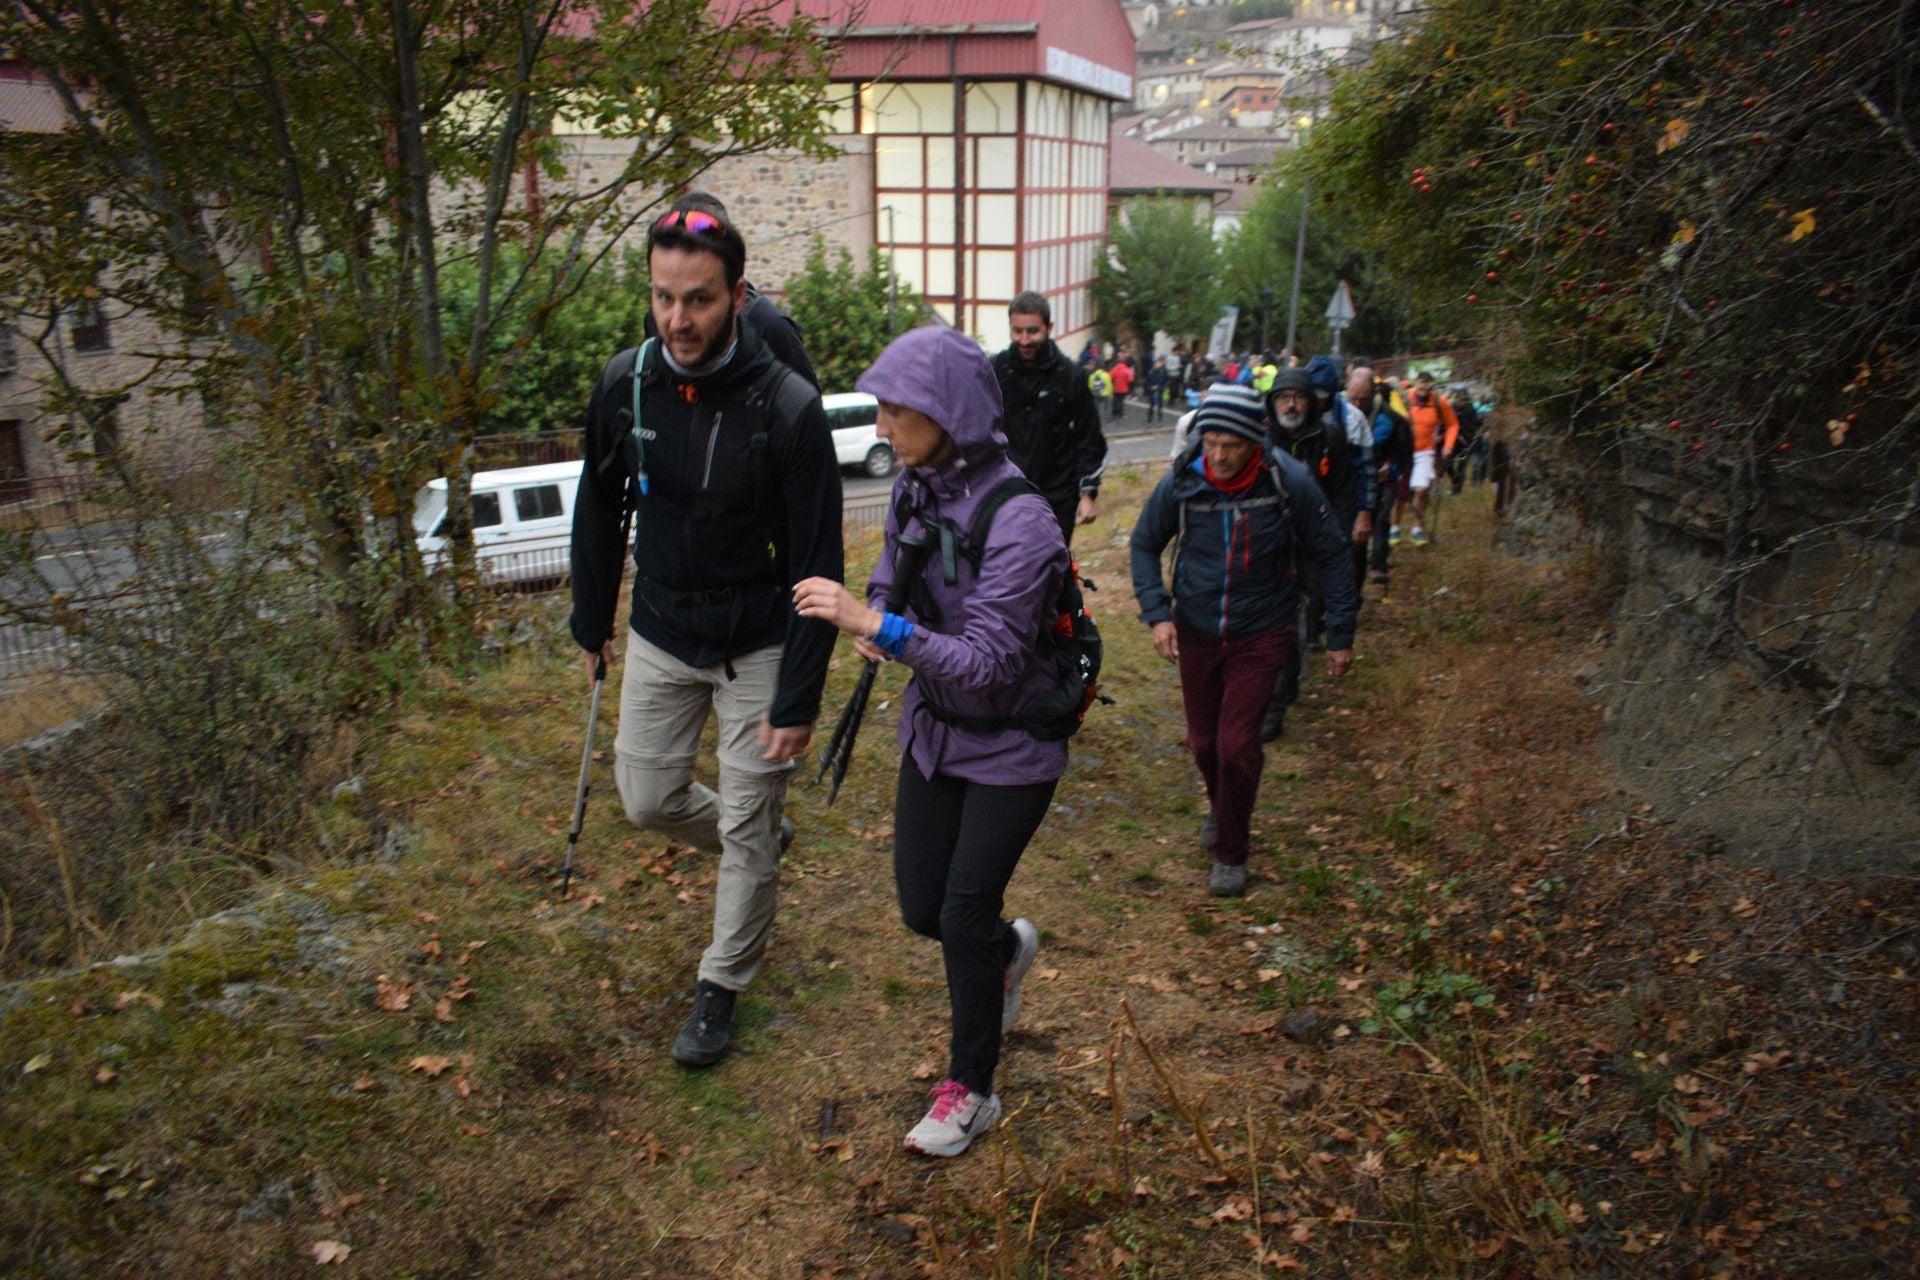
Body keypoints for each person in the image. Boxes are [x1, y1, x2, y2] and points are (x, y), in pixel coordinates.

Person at [569, 199, 844, 1068]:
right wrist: (592, 616)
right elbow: (598, 505)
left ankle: (720, 988)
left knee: (749, 820)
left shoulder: (787, 406)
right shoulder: (627, 383)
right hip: (661, 626)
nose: (677, 319)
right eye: (662, 298)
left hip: (758, 637)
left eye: (697, 300)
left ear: (736, 295)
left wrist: (799, 693)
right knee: (647, 799)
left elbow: (819, 561)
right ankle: (755, 837)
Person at [794, 325, 1070, 1158]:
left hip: (1014, 744)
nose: (881, 427)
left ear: (947, 413)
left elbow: (989, 664)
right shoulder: (917, 483)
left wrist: (881, 624)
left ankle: (971, 1091)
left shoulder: (1023, 521)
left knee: (959, 911)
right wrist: (884, 613)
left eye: (894, 410)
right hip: (934, 733)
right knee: (926, 910)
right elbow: (894, 571)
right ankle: (1005, 955)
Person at [1129, 384, 1358, 897]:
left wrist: (1340, 631)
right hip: (1197, 629)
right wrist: (1157, 614)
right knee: (1204, 742)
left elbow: (1334, 553)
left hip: (1262, 630)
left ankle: (1231, 850)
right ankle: (1223, 807)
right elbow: (1145, 542)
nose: (1218, 455)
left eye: (1230, 444)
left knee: (1237, 744)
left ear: (1255, 441)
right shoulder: (1184, 482)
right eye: (1209, 441)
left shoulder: (1288, 481)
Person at [1261, 364, 1371, 741]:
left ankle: (1286, 680)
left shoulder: (1330, 437)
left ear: (1311, 402)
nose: (1291, 405)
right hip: (1271, 541)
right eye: (1284, 398)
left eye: (1298, 398)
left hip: (1315, 537)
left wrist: (1338, 537)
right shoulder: (1260, 437)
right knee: (1280, 617)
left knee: (1305, 608)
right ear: (1272, 402)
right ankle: (1276, 701)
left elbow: (1343, 489)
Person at [639, 191, 817, 389]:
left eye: (700, 300)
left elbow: (804, 405)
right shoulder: (623, 373)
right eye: (665, 297)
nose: (678, 323)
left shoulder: (769, 325)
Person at [991, 293, 1106, 545]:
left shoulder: (1070, 376)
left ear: (1048, 328)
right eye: (1017, 331)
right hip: (1006, 494)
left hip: (1056, 497)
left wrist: (1088, 493)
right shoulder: (995, 371)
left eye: (1032, 331)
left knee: (1051, 572)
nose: (1024, 340)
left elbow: (1089, 437)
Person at [1396, 371, 1459, 547]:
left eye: (1427, 387)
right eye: (1421, 386)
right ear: (1416, 384)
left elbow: (1453, 424)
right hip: (1404, 451)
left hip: (1426, 452)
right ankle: (1394, 526)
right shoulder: (1405, 397)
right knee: (1399, 493)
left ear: (1431, 387)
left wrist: (1448, 445)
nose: (1423, 390)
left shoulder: (1439, 402)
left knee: (1422, 490)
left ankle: (1417, 528)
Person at [1108, 354, 1133, 421]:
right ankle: (1120, 414)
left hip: (1116, 388)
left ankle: (1114, 413)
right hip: (1124, 389)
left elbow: (1110, 376)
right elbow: (1130, 379)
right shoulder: (1127, 370)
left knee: (1115, 401)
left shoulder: (1115, 368)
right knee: (1121, 401)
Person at [1145, 355, 1168, 424]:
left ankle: (1159, 418)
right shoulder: (1150, 372)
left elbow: (1165, 382)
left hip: (1160, 390)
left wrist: (1160, 387)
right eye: (1157, 364)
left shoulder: (1163, 372)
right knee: (1151, 406)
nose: (1158, 365)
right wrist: (1151, 387)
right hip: (1152, 391)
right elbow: (1147, 382)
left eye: (1160, 364)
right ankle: (1149, 419)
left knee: (1160, 406)